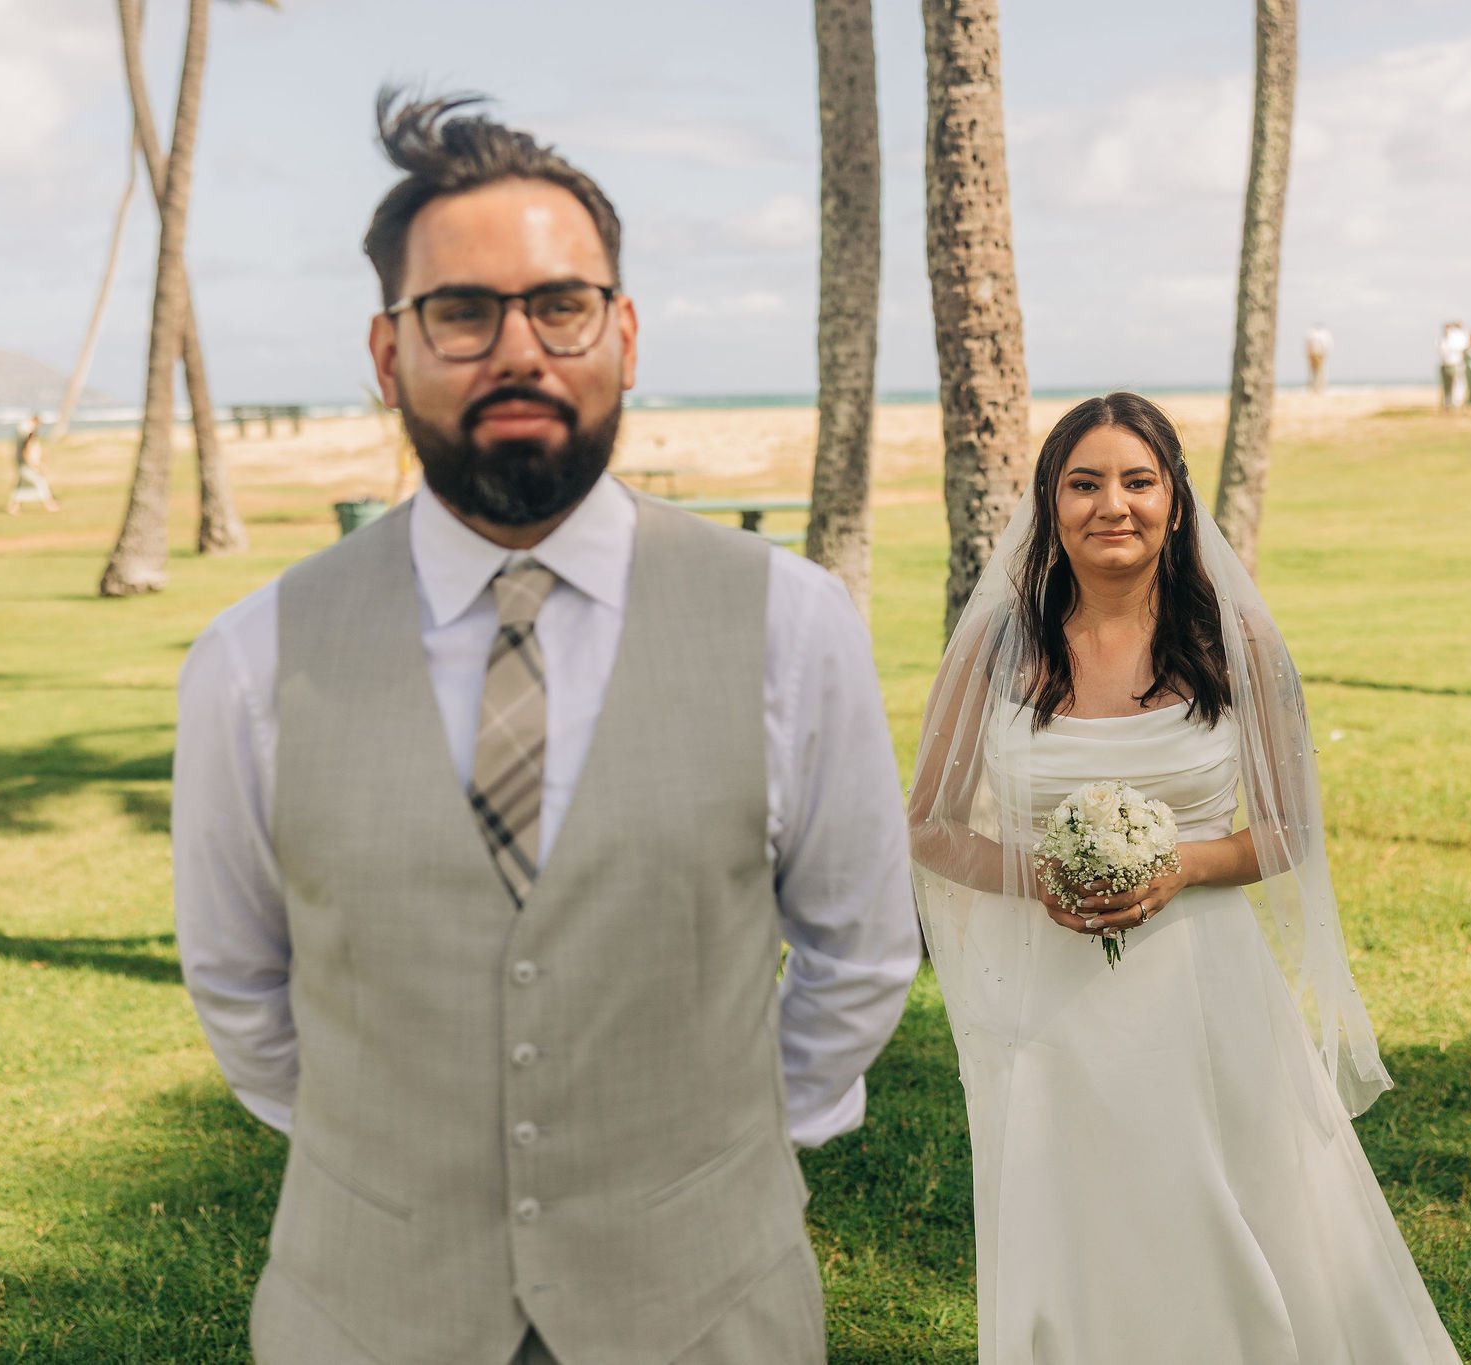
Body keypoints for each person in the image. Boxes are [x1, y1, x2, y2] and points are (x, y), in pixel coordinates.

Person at [172, 91, 921, 1365]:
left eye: (558, 304)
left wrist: (701, 1171)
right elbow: (241, 987)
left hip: (709, 1307)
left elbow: (857, 955)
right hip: (367, 1311)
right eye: (459, 311)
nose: (515, 348)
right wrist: (399, 1176)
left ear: (621, 334)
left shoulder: (791, 624)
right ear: (385, 350)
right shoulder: (252, 658)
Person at [909, 393, 1461, 1364]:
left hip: (1203, 991)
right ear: (1047, 503)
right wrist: (1034, 871)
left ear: (1174, 499)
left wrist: (1178, 867)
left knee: (1232, 1212)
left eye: (1135, 481)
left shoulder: (1233, 643)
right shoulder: (1000, 649)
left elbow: (1288, 831)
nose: (1109, 505)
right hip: (1047, 1003)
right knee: (1079, 1228)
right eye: (1082, 484)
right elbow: (928, 826)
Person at [4, 413, 59, 514]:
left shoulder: (25, 432)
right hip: (26, 464)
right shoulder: (27, 433)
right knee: (40, 481)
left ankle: (13, 507)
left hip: (24, 463)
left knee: (21, 486)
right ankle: (50, 505)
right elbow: (26, 449)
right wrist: (34, 464)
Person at [1437, 321, 1468, 410]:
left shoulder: (1458, 338)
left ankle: (1456, 402)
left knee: (1457, 384)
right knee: (1447, 385)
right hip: (1446, 364)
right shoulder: (1443, 340)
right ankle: (1447, 402)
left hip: (1456, 364)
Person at [1304, 322, 1332, 393]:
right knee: (1319, 372)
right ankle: (1317, 388)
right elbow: (1327, 345)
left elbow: (1307, 344)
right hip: (1318, 354)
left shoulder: (1311, 334)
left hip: (1315, 354)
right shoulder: (1323, 334)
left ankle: (1316, 388)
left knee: (1315, 372)